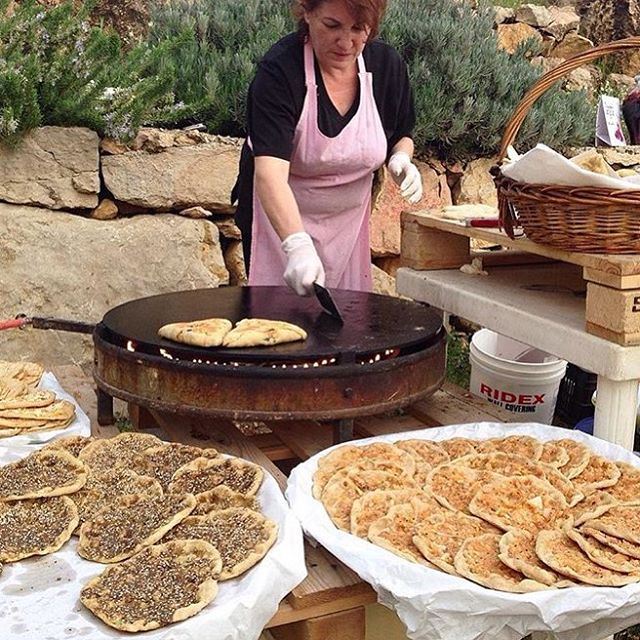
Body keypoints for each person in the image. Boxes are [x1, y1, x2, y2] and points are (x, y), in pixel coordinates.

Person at [233, 0, 422, 296]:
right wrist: (296, 244)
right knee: (275, 327)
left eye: (359, 29)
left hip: (347, 230)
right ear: (307, 12)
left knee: (345, 326)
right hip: (279, 223)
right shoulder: (280, 71)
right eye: (332, 25)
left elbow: (401, 132)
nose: (346, 42)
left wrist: (401, 158)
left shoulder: (386, 66)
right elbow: (269, 174)